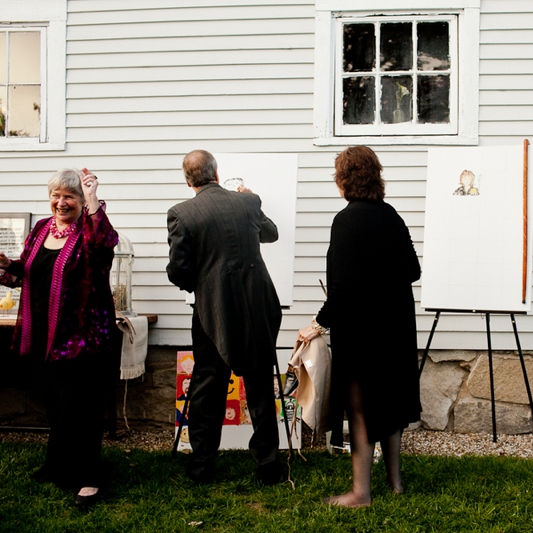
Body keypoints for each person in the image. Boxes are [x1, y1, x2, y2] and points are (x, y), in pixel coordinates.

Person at [297, 146, 421, 508]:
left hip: (363, 331)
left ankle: (360, 494)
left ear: (344, 180)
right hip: (396, 325)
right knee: (392, 401)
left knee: (361, 407)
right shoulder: (392, 216)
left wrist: (317, 324)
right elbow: (412, 270)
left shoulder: (346, 220)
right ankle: (396, 482)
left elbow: (344, 288)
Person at [0, 168, 120, 508]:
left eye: (70, 196)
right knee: (56, 403)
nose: (61, 202)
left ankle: (88, 479)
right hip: (44, 334)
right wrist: (7, 265)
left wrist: (94, 197)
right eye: (56, 195)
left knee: (81, 407)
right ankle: (60, 465)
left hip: (82, 337)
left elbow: (105, 245)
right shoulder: (41, 230)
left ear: (82, 202)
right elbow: (26, 270)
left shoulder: (91, 231)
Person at [166, 149, 283, 485]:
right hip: (258, 306)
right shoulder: (248, 202)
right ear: (217, 173)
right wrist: (249, 201)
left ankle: (202, 466)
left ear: (188, 181)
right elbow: (270, 234)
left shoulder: (182, 213)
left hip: (211, 312)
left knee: (208, 387)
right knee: (260, 386)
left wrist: (202, 283)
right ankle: (268, 467)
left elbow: (178, 271)